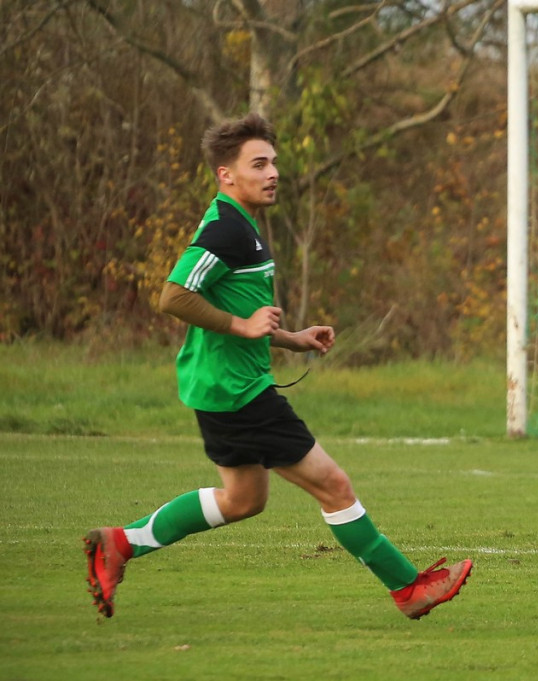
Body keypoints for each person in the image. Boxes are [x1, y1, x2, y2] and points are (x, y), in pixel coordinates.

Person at [83, 112, 472, 621]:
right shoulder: (226, 230)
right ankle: (407, 587)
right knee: (334, 485)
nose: (272, 173)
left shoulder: (245, 227)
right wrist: (241, 326)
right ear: (226, 174)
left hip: (221, 387)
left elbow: (243, 310)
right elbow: (173, 295)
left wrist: (293, 338)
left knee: (242, 500)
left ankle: (120, 543)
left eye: (274, 163)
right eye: (259, 163)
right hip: (238, 390)